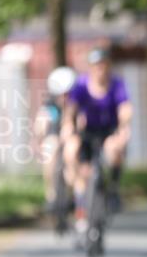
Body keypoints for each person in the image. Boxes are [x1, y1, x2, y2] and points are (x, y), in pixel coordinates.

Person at [62, 47, 132, 231]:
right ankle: (79, 204)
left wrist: (125, 127)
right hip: (87, 132)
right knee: (71, 152)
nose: (100, 69)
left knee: (114, 149)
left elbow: (125, 108)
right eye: (96, 65)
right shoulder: (81, 85)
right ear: (91, 67)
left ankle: (114, 189)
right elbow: (71, 108)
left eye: (103, 65)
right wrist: (68, 126)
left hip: (108, 131)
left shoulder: (117, 84)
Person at [36, 66, 76, 209]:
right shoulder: (50, 105)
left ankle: (73, 193)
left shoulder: (78, 104)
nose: (64, 97)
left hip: (74, 138)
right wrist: (40, 134)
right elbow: (41, 122)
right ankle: (51, 195)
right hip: (54, 137)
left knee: (72, 151)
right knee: (49, 149)